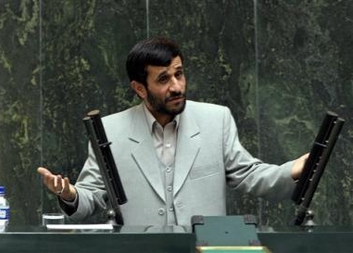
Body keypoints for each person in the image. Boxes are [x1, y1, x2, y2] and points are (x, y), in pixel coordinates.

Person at [37, 37, 307, 226]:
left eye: (179, 74)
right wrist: (69, 195)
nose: (177, 86)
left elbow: (249, 174)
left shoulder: (216, 119)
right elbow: (92, 196)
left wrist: (293, 168)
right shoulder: (109, 130)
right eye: (164, 79)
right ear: (140, 88)